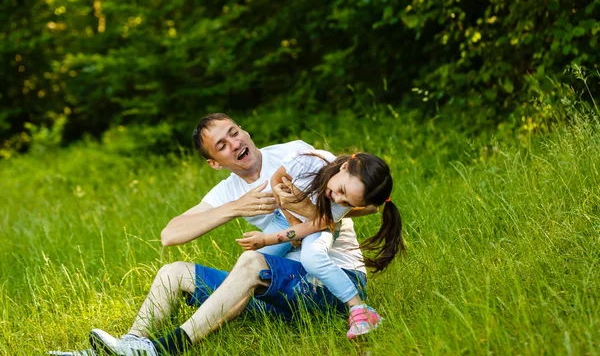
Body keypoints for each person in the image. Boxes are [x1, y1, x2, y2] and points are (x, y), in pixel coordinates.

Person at [48, 113, 389, 356]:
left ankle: (165, 349)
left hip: (331, 282)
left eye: (234, 133)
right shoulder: (227, 192)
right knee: (173, 273)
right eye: (222, 145)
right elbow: (170, 234)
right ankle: (132, 343)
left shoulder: (295, 154)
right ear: (214, 162)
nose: (234, 144)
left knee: (252, 261)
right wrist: (236, 207)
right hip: (281, 292)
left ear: (245, 131)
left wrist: (304, 210)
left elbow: (365, 202)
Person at [236, 150, 404, 338]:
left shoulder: (342, 202)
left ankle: (359, 308)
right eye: (341, 191)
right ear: (345, 166)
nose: (338, 199)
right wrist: (292, 221)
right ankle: (236, 309)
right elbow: (277, 182)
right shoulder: (306, 162)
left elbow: (313, 225)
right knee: (248, 266)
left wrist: (267, 239)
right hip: (289, 219)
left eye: (347, 201)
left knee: (312, 258)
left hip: (318, 224)